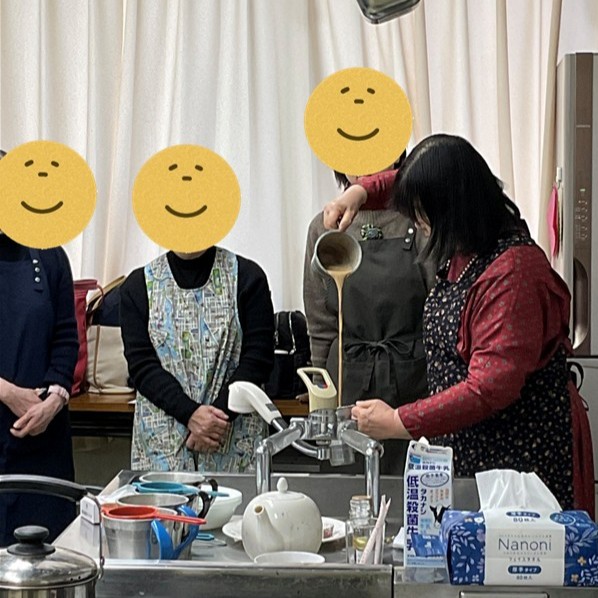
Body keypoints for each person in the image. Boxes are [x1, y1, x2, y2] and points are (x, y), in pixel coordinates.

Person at [342, 134, 593, 514]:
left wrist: (398, 421)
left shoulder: (514, 274)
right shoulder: (471, 244)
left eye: (423, 214)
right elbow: (421, 179)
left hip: (521, 462)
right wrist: (360, 193)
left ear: (452, 208)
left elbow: (488, 388)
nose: (419, 224)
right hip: (474, 453)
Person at [303, 153, 436, 474]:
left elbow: (439, 308)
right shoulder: (324, 227)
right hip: (346, 377)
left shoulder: (419, 221)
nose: (364, 159)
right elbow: (320, 322)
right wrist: (320, 391)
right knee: (345, 483)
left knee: (411, 481)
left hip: (413, 377)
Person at [121, 245, 275, 473]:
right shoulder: (137, 286)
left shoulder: (247, 277)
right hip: (164, 448)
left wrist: (216, 420)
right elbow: (141, 366)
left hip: (235, 443)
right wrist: (190, 414)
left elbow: (258, 360)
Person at [0, 147, 78, 544]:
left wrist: (54, 399)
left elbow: (66, 337)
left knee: (51, 557)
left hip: (43, 437)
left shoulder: (48, 253)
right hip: (10, 412)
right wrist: (7, 392)